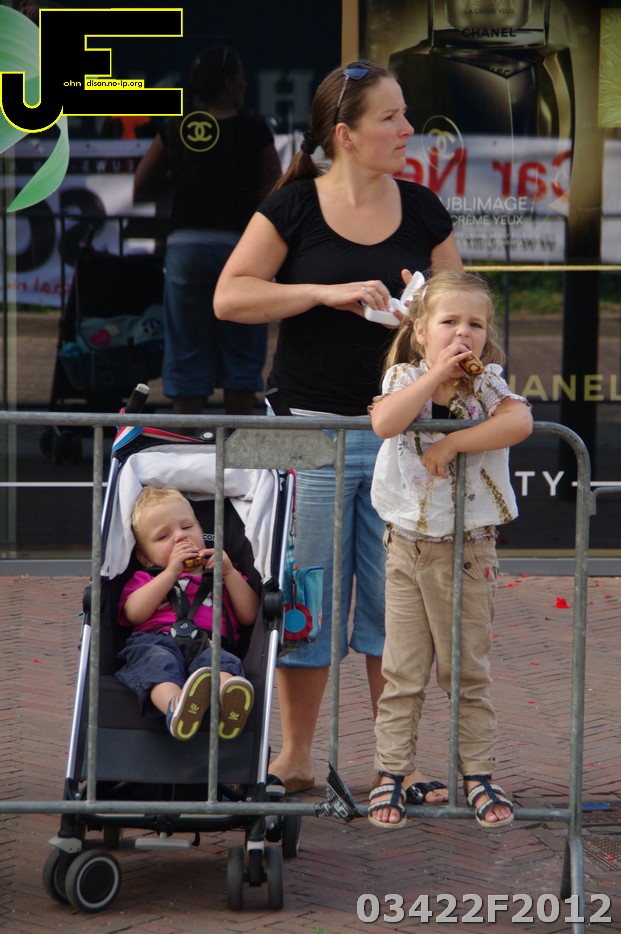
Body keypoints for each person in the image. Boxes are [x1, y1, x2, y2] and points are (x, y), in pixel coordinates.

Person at [214, 60, 463, 796]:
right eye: (391, 117)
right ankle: (294, 759)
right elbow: (231, 297)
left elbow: (462, 315)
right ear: (345, 135)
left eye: (405, 113)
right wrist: (323, 292)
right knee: (306, 599)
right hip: (305, 434)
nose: (408, 129)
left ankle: (397, 765)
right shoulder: (293, 206)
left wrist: (425, 319)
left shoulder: (423, 209)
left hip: (402, 441)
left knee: (396, 608)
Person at [367, 269, 533, 828]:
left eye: (475, 324)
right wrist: (435, 373)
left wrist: (455, 441)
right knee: (403, 672)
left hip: (469, 550)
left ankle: (477, 774)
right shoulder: (404, 377)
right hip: (407, 549)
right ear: (420, 331)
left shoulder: (486, 384)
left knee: (466, 673)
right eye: (449, 322)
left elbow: (519, 420)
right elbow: (386, 421)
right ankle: (391, 773)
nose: (463, 333)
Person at [133, 46, 282, 416]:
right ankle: (235, 445)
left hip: (186, 247)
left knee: (187, 353)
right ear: (229, 84)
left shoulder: (177, 127)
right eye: (241, 76)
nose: (245, 83)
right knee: (242, 354)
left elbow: (141, 184)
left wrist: (184, 180)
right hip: (242, 249)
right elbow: (277, 191)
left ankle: (184, 444)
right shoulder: (253, 128)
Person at [115, 485, 258, 741]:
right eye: (164, 536)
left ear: (202, 532)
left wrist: (229, 573)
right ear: (145, 558)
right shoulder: (147, 578)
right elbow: (134, 614)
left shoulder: (223, 576)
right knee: (156, 663)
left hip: (210, 642)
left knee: (220, 663)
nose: (180, 536)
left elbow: (250, 615)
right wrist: (171, 573)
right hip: (156, 640)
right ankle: (176, 706)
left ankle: (229, 699)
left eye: (188, 527)